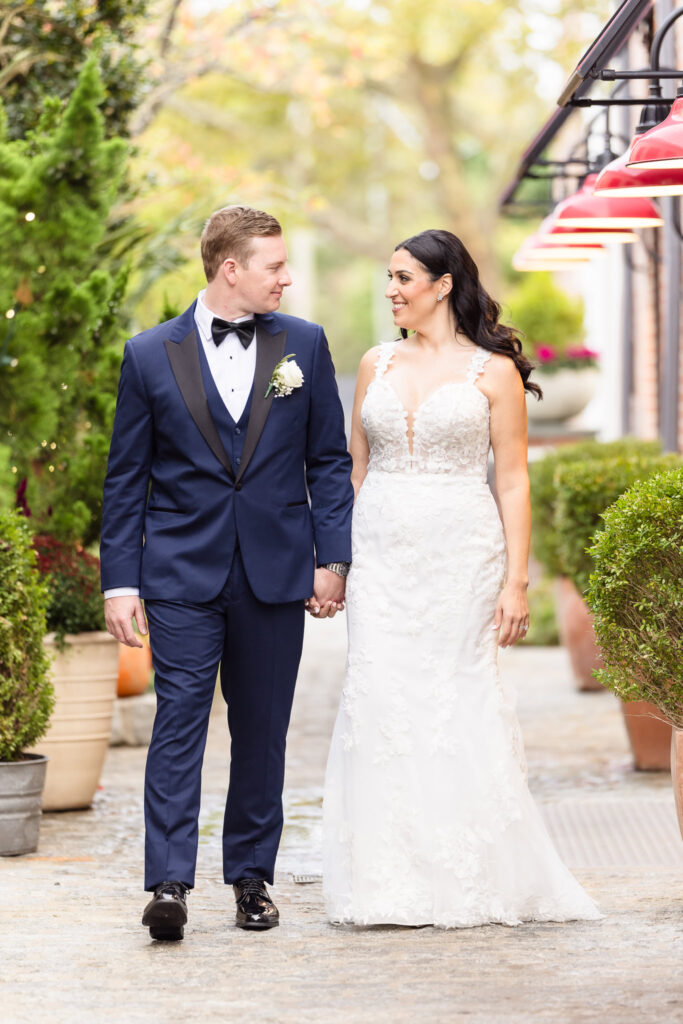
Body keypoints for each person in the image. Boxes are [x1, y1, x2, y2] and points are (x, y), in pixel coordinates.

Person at [322, 229, 601, 928]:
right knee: (381, 702)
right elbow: (351, 469)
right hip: (382, 553)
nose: (390, 290)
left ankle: (469, 877)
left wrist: (515, 582)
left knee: (457, 703)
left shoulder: (492, 371)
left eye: (402, 277)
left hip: (461, 556)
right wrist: (336, 560)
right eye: (389, 277)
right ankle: (386, 880)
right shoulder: (372, 364)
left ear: (442, 285)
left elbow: (511, 482)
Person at [101, 205, 353, 940]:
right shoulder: (149, 354)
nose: (287, 277)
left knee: (263, 731)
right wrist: (121, 580)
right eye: (274, 265)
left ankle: (251, 879)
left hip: (276, 572)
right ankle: (169, 884)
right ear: (230, 268)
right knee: (177, 723)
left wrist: (331, 558)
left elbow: (328, 463)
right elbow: (127, 479)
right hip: (179, 572)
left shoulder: (302, 343)